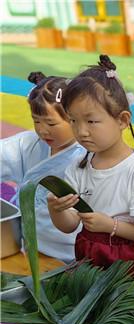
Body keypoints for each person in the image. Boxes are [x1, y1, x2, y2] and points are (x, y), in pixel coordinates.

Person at [47, 55, 134, 294]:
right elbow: (70, 225)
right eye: (73, 120)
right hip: (91, 262)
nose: (81, 131)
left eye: (91, 121)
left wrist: (111, 226)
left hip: (131, 268)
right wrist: (56, 210)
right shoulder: (78, 168)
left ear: (122, 120)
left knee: (127, 323)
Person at [1, 72, 86, 262]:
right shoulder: (29, 144)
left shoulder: (86, 157)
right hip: (32, 242)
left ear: (74, 118)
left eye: (51, 123)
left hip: (71, 251)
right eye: (36, 120)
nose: (42, 130)